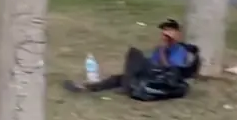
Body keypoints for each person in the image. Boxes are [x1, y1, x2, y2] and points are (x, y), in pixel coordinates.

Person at [64, 19, 198, 95]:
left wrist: (163, 51)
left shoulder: (179, 50)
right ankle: (86, 88)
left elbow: (171, 71)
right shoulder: (160, 49)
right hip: (152, 75)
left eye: (168, 33)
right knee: (117, 78)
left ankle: (128, 86)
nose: (164, 36)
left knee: (134, 54)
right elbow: (152, 63)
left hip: (162, 79)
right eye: (163, 33)